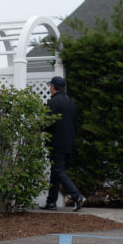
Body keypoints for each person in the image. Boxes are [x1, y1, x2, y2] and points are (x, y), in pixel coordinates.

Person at [40, 76, 87, 211]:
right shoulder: (71, 102)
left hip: (57, 142)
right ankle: (51, 202)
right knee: (56, 171)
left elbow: (48, 122)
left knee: (58, 170)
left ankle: (77, 196)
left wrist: (37, 128)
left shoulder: (54, 101)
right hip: (68, 143)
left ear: (53, 87)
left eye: (50, 86)